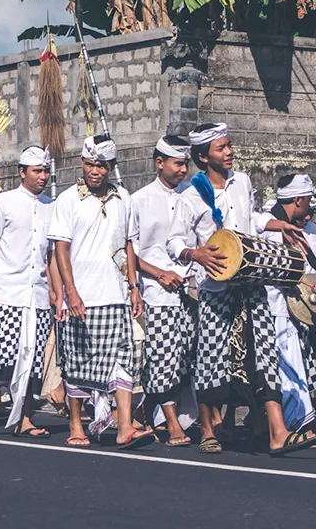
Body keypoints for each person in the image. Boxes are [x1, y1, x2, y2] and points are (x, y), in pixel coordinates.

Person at [166, 123, 301, 455]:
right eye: (221, 148)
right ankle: (208, 428)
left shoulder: (241, 182)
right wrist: (194, 253)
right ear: (202, 156)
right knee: (212, 356)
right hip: (215, 287)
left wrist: (276, 223)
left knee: (263, 351)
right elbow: (173, 242)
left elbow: (249, 220)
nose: (229, 152)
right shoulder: (191, 195)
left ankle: (278, 431)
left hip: (250, 282)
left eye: (229, 146)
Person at [49, 134, 151, 450]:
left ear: (111, 166)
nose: (95, 171)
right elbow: (60, 250)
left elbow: (129, 246)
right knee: (78, 363)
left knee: (124, 360)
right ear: (83, 163)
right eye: (90, 164)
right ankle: (76, 424)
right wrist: (71, 292)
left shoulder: (125, 199)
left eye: (101, 165)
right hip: (81, 296)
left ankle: (123, 428)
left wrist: (134, 288)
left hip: (116, 295)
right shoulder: (67, 200)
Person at [0, 146, 56, 437]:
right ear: (22, 172)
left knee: (34, 359)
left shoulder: (51, 205)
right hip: (9, 291)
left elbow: (52, 256)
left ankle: (24, 417)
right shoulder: (4, 202)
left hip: (40, 294)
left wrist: (57, 293)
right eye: (37, 171)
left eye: (46, 171)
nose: (43, 176)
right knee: (7, 353)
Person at [253, 174, 316, 454]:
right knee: (288, 368)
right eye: (307, 200)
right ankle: (298, 425)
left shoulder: (309, 229)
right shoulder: (268, 228)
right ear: (297, 200)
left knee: (307, 366)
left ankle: (302, 423)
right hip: (274, 307)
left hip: (304, 308)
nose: (309, 206)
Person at [131, 135, 196, 448]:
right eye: (177, 163)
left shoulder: (194, 195)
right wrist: (159, 274)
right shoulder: (140, 200)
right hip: (156, 294)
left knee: (189, 360)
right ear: (159, 163)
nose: (183, 169)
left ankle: (149, 412)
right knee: (163, 359)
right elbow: (126, 253)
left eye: (186, 163)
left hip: (193, 290)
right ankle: (172, 425)